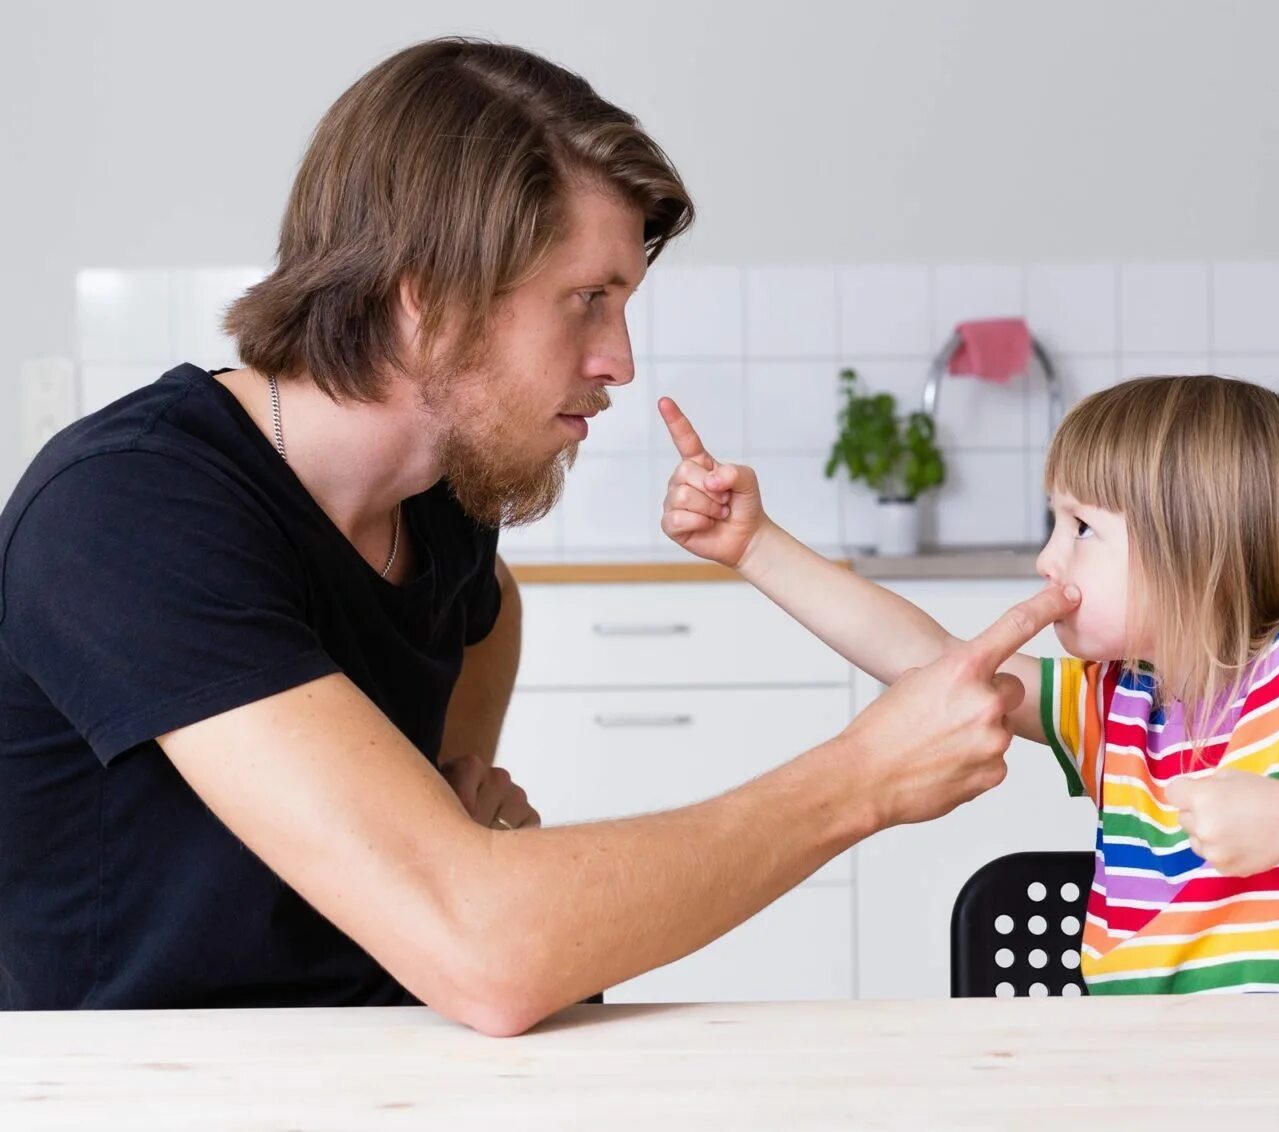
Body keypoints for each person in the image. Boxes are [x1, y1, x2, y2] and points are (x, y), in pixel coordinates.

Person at [0, 37, 1077, 1032]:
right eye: (587, 299)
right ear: (428, 301)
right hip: (167, 1085)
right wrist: (861, 779)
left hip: (397, 1050)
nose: (620, 358)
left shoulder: (446, 503)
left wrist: (456, 792)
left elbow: (486, 611)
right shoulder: (126, 513)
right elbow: (489, 950)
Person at [657, 374, 1279, 993]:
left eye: (1081, 527)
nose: (1048, 556)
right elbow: (933, 662)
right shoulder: (1122, 698)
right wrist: (756, 546)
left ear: (1200, 548)